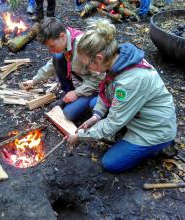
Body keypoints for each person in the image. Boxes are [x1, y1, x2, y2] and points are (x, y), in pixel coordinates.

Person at [66, 18, 177, 173]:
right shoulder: (117, 59)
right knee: (94, 106)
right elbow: (105, 91)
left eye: (87, 64)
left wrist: (81, 136)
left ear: (99, 58)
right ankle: (124, 132)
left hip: (153, 130)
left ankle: (161, 146)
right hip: (137, 115)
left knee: (110, 163)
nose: (86, 68)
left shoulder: (131, 81)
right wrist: (96, 116)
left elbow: (113, 122)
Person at [22, 17, 104, 121]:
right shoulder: (65, 41)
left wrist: (77, 93)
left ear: (62, 36)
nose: (51, 50)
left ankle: (94, 101)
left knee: (68, 114)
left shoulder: (82, 47)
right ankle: (69, 93)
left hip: (100, 85)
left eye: (52, 46)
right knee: (57, 58)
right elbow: (52, 64)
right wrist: (34, 80)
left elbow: (100, 79)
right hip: (88, 79)